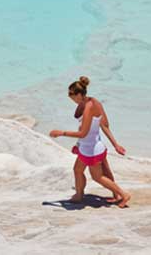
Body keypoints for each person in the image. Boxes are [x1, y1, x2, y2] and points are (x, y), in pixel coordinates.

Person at [49, 76, 131, 207]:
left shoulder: (88, 108)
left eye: (71, 95)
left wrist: (61, 133)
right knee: (78, 170)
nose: (70, 98)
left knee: (97, 177)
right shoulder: (94, 101)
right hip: (90, 146)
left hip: (91, 150)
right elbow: (104, 124)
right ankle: (79, 195)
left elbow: (84, 133)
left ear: (79, 94)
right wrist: (115, 144)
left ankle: (123, 194)